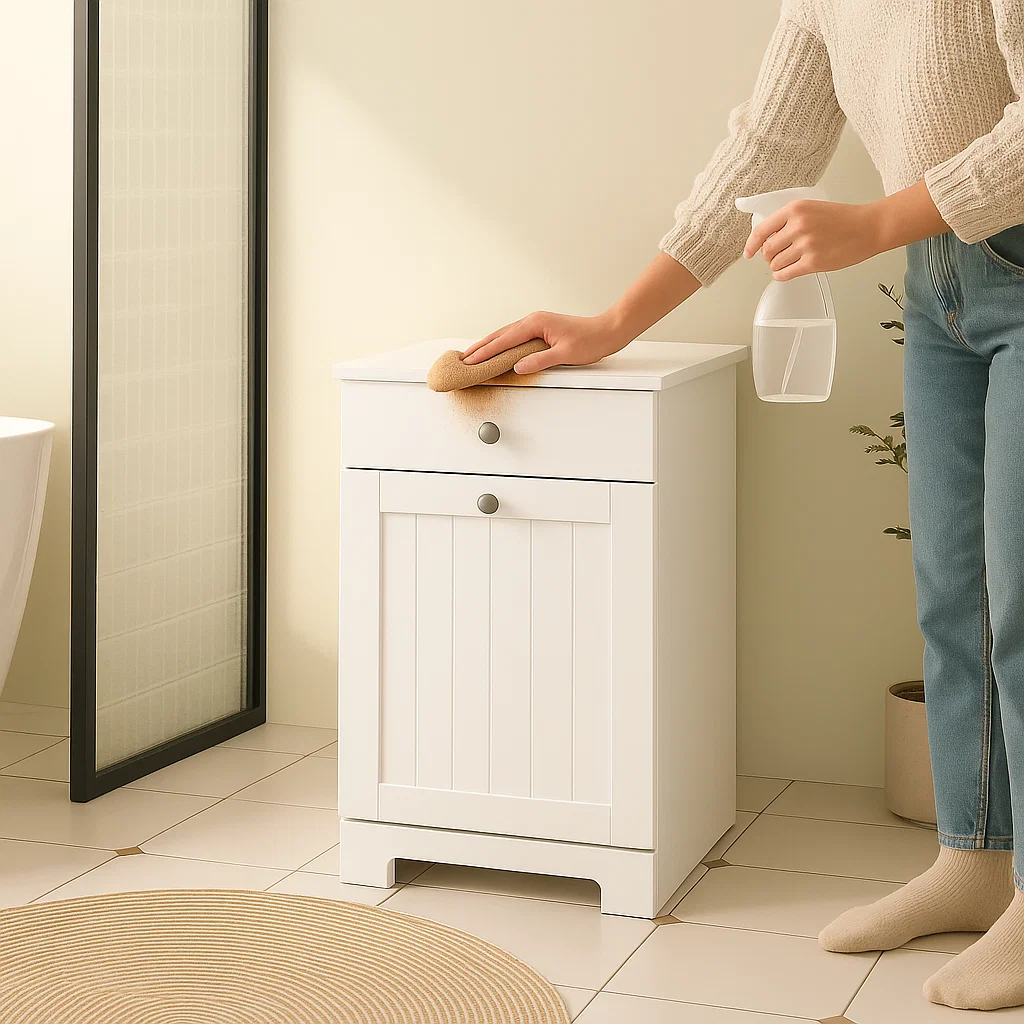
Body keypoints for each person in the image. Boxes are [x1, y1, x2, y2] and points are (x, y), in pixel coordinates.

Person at [462, 0, 1024, 1011]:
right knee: (954, 591)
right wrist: (613, 320)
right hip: (939, 276)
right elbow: (767, 141)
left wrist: (874, 220)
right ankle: (975, 858)